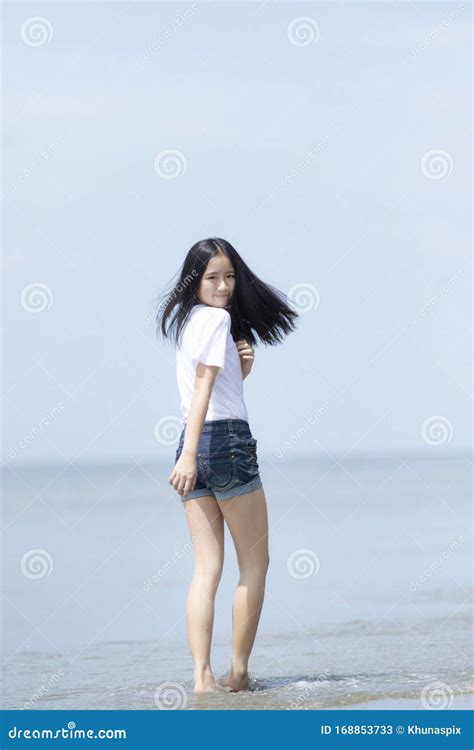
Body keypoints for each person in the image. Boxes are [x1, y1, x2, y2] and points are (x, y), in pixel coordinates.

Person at [155, 237, 299, 694]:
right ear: (193, 280)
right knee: (255, 564)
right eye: (212, 277)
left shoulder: (188, 323)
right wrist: (191, 453)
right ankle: (238, 674)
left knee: (205, 570)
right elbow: (204, 390)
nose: (223, 286)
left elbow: (209, 389)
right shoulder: (217, 320)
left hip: (192, 441)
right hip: (223, 443)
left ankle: (201, 679)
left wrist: (244, 371)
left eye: (229, 276)